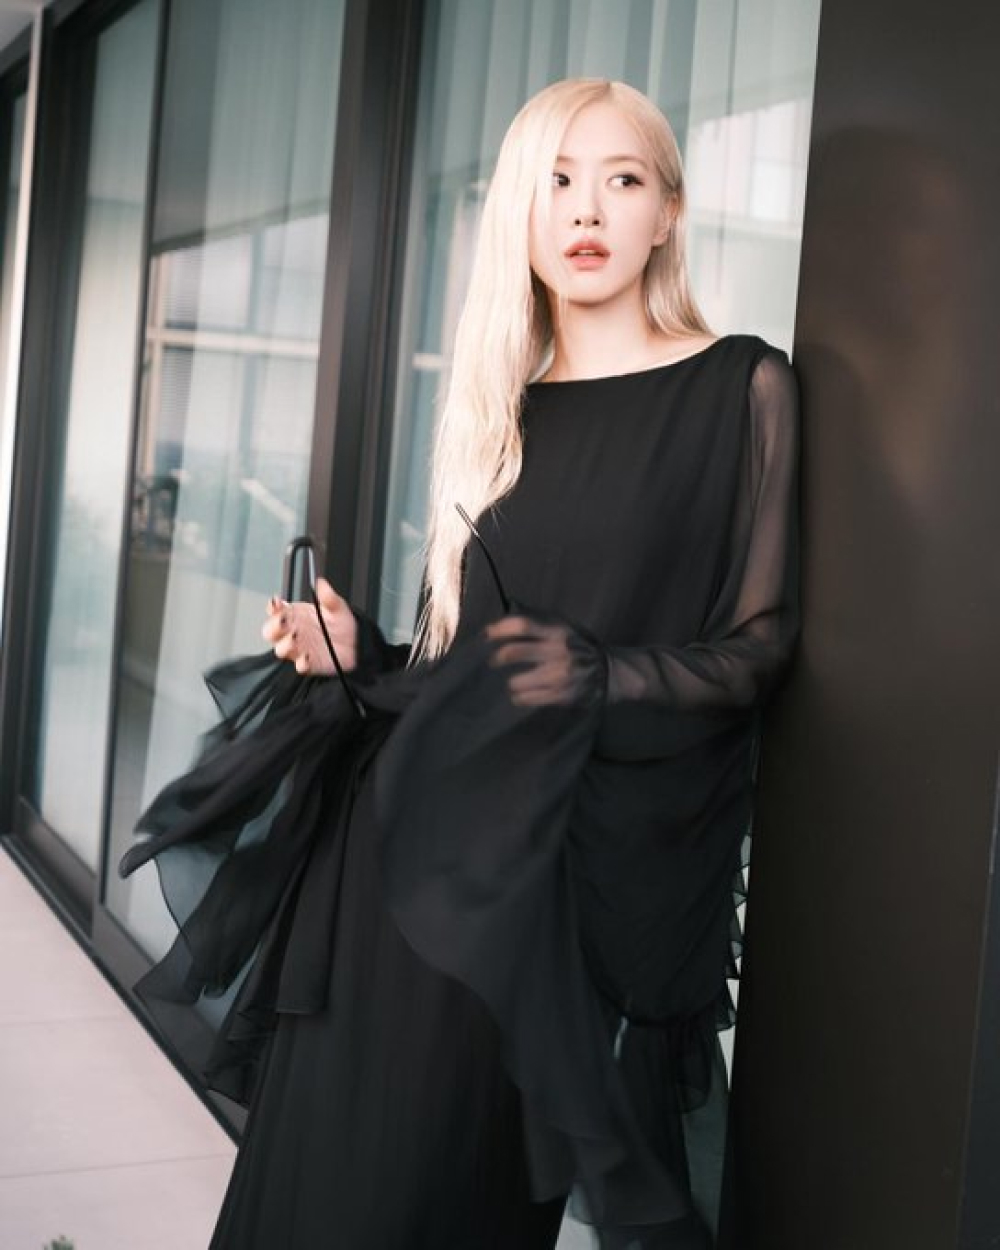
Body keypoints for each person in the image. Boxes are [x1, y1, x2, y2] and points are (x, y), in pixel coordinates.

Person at [120, 78, 799, 1249]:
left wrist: (595, 677)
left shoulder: (743, 386)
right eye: (556, 180)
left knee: (448, 1209)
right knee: (323, 1199)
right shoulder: (499, 410)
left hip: (548, 908)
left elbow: (758, 650)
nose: (585, 208)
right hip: (393, 871)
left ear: (667, 213)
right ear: (519, 214)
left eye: (621, 179)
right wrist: (363, 652)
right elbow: (463, 667)